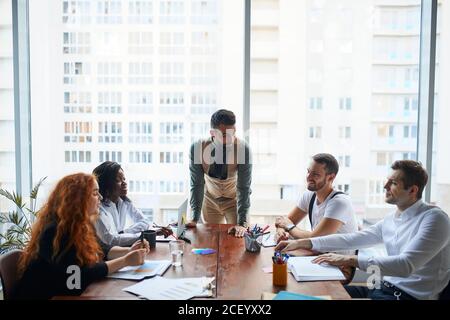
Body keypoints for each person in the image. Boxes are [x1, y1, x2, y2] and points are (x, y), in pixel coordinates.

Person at [276, 160, 450, 300]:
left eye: (393, 183)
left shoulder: (435, 219)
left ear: (412, 190)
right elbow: (352, 239)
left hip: (408, 296)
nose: (385, 186)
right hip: (383, 288)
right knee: (309, 294)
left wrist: (349, 259)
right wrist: (302, 242)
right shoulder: (392, 218)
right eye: (388, 181)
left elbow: (406, 265)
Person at [13, 173, 149, 300]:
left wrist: (129, 251)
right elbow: (77, 276)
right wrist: (125, 261)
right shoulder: (55, 232)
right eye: (95, 193)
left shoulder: (80, 225)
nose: (101, 197)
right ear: (78, 199)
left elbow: (102, 250)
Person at [274, 153, 358, 255]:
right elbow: (286, 221)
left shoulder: (339, 203)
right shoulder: (310, 195)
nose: (308, 177)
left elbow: (316, 238)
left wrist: (289, 227)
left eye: (315, 174)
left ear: (331, 177)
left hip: (341, 265)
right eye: (308, 172)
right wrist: (281, 230)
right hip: (320, 256)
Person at [186, 109, 252, 238]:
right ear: (212, 133)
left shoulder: (243, 149)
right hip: (210, 200)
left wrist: (242, 222)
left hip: (234, 201)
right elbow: (197, 184)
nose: (230, 138)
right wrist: (194, 218)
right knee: (211, 239)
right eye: (224, 135)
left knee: (237, 239)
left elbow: (244, 187)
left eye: (232, 133)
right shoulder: (197, 148)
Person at [93, 161, 171, 246]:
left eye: (124, 179)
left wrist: (124, 232)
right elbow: (111, 240)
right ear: (106, 186)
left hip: (121, 249)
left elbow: (145, 221)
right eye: (118, 180)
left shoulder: (122, 201)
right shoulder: (99, 209)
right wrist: (145, 235)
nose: (124, 183)